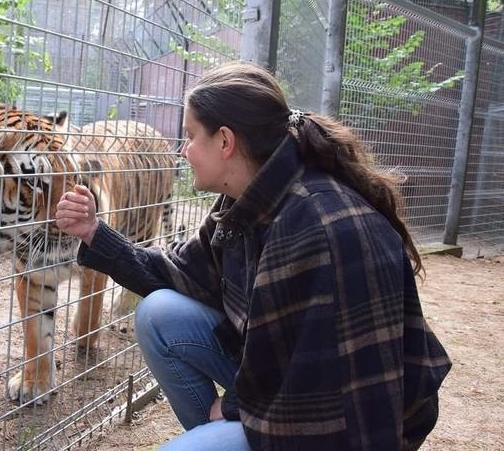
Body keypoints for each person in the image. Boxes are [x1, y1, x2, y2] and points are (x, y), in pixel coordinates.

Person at [55, 61, 451, 450]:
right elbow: (179, 272)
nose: (183, 149)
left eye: (191, 136)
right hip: (296, 382)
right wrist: (94, 232)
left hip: (353, 420)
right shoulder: (250, 199)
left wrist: (234, 406)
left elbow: (317, 377)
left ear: (225, 141)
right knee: (160, 313)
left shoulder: (310, 225)